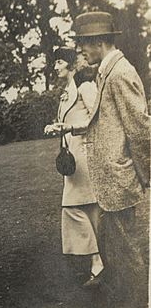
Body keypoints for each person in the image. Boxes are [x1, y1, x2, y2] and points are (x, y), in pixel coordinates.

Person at [47, 12, 150, 306]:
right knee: (116, 252)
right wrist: (70, 128)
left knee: (128, 254)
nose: (80, 52)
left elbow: (141, 129)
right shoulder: (106, 71)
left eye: (83, 46)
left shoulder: (120, 73)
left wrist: (146, 174)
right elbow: (100, 122)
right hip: (108, 181)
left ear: (99, 42)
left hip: (118, 179)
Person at [44, 47, 104, 285]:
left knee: (72, 207)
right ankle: (99, 263)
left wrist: (69, 128)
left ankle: (98, 262)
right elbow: (69, 119)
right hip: (73, 159)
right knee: (89, 210)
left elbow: (96, 118)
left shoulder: (85, 86)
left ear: (69, 64)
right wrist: (57, 127)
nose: (55, 67)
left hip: (86, 155)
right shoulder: (67, 91)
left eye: (59, 62)